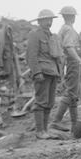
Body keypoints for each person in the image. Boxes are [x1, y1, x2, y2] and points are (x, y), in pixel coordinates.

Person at [50, 6, 81, 131]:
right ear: (72, 17)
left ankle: (74, 125)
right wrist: (79, 61)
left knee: (73, 95)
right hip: (72, 63)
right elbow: (69, 47)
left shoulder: (65, 29)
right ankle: (56, 121)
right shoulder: (69, 30)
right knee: (71, 92)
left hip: (70, 62)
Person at [26, 9, 62, 139]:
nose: (49, 22)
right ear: (40, 21)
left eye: (51, 20)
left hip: (52, 73)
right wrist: (36, 72)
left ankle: (45, 130)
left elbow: (56, 57)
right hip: (42, 72)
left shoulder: (52, 36)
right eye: (46, 20)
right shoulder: (34, 34)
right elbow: (31, 55)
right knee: (41, 102)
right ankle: (39, 131)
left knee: (50, 102)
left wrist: (59, 74)